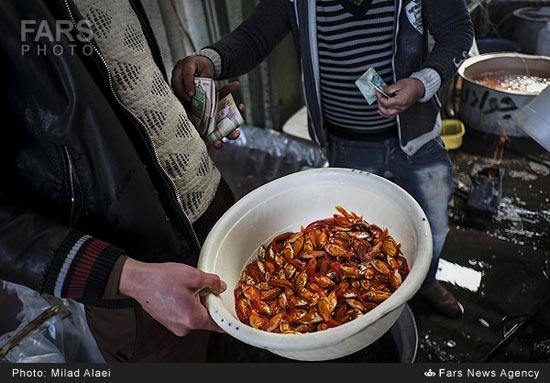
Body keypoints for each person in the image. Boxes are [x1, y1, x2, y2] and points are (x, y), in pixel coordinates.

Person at [172, 0, 474, 319]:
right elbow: (255, 36)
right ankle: (376, 304)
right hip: (348, 146)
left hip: (419, 139)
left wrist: (421, 83)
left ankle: (425, 283)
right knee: (356, 240)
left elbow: (457, 31)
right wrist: (211, 60)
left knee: (434, 223)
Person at [0, 0, 241, 362]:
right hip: (143, 276)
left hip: (214, 209)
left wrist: (176, 121)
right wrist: (127, 276)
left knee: (252, 347)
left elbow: (108, 92)